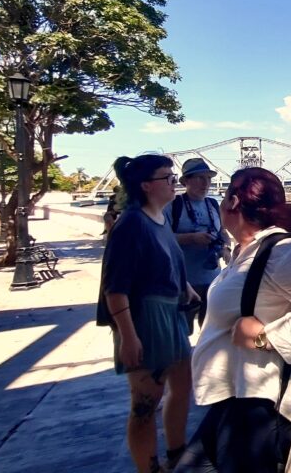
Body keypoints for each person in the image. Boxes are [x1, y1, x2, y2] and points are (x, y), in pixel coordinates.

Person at [175, 167, 291, 472]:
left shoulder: (283, 251)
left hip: (262, 401)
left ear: (233, 203)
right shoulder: (247, 251)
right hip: (237, 391)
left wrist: (266, 338)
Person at [101, 154, 200, 473]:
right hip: (145, 319)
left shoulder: (159, 217)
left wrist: (185, 286)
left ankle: (176, 451)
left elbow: (164, 262)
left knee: (183, 386)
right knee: (145, 404)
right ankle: (149, 468)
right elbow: (115, 287)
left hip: (172, 316)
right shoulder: (131, 224)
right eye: (167, 178)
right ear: (146, 185)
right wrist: (128, 337)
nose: (175, 182)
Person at [170, 158, 231, 329]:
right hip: (183, 282)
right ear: (186, 181)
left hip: (213, 280)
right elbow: (161, 239)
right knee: (182, 332)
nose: (206, 183)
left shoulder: (212, 204)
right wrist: (191, 238)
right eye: (200, 178)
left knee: (210, 330)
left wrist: (226, 248)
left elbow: (223, 233)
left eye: (209, 178)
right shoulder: (174, 205)